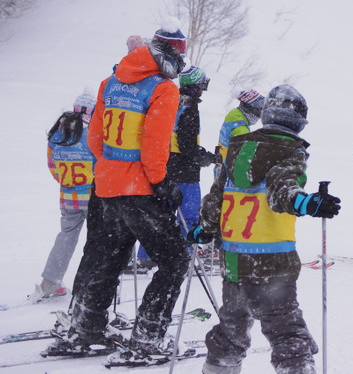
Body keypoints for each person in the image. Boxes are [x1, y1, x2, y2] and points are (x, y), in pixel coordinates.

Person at [46, 22, 190, 362]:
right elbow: (155, 144)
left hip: (106, 186)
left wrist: (112, 169)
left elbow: (95, 138)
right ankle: (147, 337)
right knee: (174, 259)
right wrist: (161, 182)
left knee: (104, 258)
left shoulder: (109, 82)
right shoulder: (163, 89)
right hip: (139, 188)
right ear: (171, 54)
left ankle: (86, 328)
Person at [188, 84, 341, 374]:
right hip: (271, 264)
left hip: (233, 262)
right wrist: (306, 202)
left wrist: (205, 228)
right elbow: (282, 189)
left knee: (231, 333)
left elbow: (217, 197)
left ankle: (218, 369)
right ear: (298, 123)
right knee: (288, 336)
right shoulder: (288, 151)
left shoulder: (235, 149)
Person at [135, 65, 217, 266]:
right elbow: (187, 145)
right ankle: (184, 254)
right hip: (186, 172)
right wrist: (206, 157)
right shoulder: (190, 109)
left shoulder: (173, 101)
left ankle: (146, 256)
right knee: (188, 217)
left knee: (161, 214)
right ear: (195, 86)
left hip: (167, 167)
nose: (202, 91)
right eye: (202, 86)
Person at [31, 92, 96, 301]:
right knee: (99, 240)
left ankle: (50, 282)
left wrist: (68, 184)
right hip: (94, 196)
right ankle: (94, 286)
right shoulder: (92, 133)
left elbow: (53, 167)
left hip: (68, 196)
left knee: (66, 237)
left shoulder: (57, 134)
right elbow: (102, 163)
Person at [216, 88, 266, 164]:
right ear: (248, 108)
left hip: (223, 167)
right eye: (258, 110)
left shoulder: (234, 116)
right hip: (230, 171)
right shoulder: (240, 128)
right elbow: (247, 156)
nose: (259, 115)